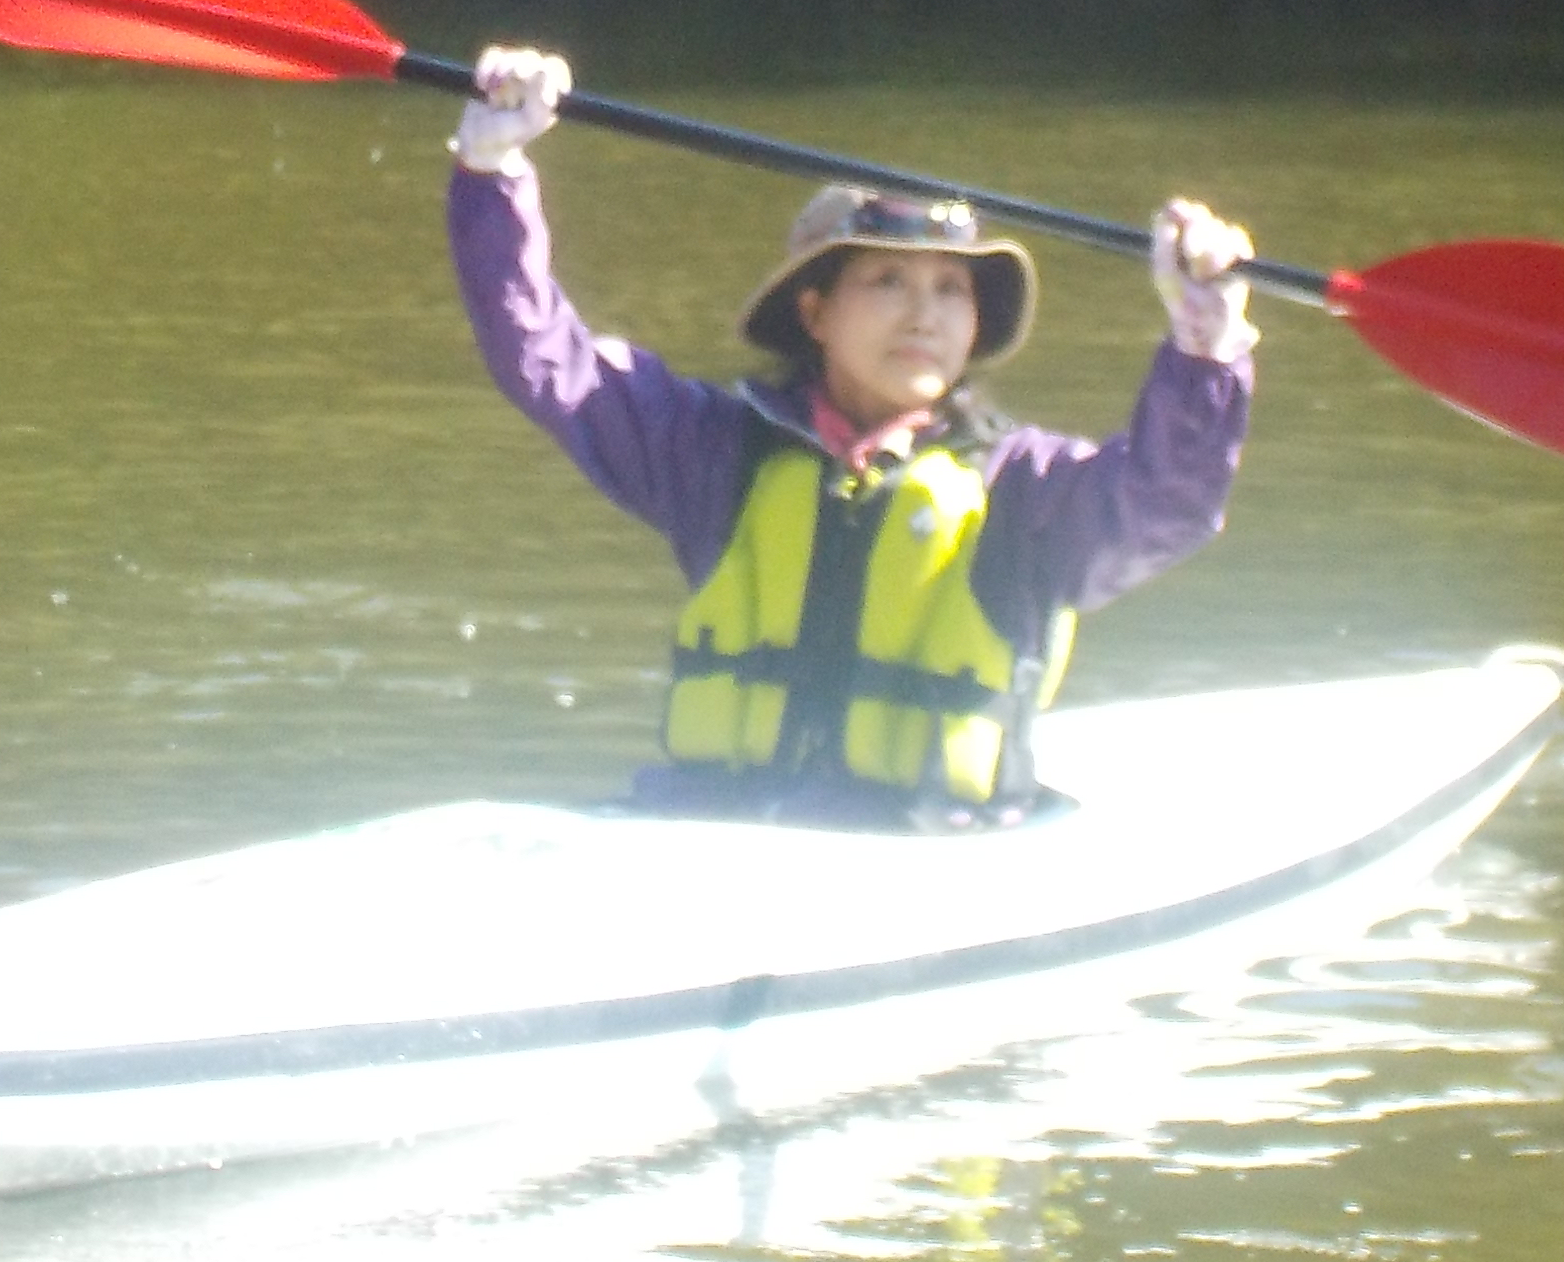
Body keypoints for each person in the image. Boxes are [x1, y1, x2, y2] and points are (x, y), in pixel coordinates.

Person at [445, 42, 1257, 828]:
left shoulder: (1023, 489)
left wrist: (1204, 347)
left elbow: (1168, 506)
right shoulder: (715, 452)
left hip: (930, 851)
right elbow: (545, 359)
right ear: (815, 312)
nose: (924, 314)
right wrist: (493, 174)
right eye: (886, 281)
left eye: (951, 289)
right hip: (710, 832)